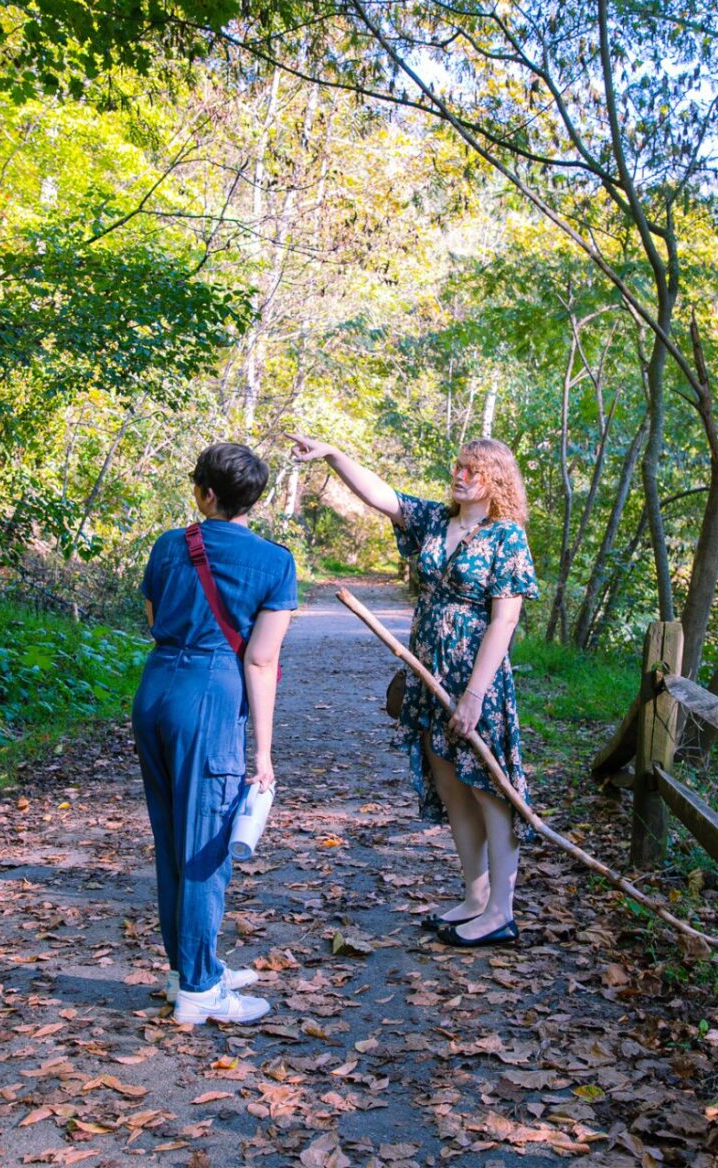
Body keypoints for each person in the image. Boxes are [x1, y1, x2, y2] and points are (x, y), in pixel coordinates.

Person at [288, 433, 539, 947]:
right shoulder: (433, 521)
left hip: (476, 680)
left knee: (490, 790)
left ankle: (501, 912)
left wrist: (473, 695)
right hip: (429, 675)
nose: (461, 476)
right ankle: (475, 897)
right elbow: (382, 495)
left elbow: (503, 622)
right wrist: (335, 453)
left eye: (473, 470)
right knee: (451, 786)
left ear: (497, 480)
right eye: (459, 467)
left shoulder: (506, 537)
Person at [133, 443, 296, 1025]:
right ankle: (201, 989)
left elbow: (155, 619)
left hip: (155, 690)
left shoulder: (168, 545)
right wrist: (264, 753)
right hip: (211, 695)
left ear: (204, 493)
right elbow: (260, 660)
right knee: (205, 848)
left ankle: (186, 968)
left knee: (170, 840)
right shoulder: (276, 564)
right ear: (255, 499)